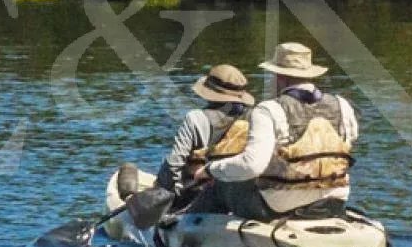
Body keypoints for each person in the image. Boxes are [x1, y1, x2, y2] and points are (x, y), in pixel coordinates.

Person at [202, 41, 359, 221]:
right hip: (335, 199)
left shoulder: (268, 110)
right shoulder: (343, 105)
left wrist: (211, 170)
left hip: (279, 205)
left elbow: (252, 165)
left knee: (221, 183)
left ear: (279, 76)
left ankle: (183, 226)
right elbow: (346, 145)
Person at [154, 64, 254, 198]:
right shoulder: (253, 117)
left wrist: (172, 191)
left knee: (161, 166)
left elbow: (174, 163)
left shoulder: (195, 118)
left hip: (198, 192)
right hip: (237, 192)